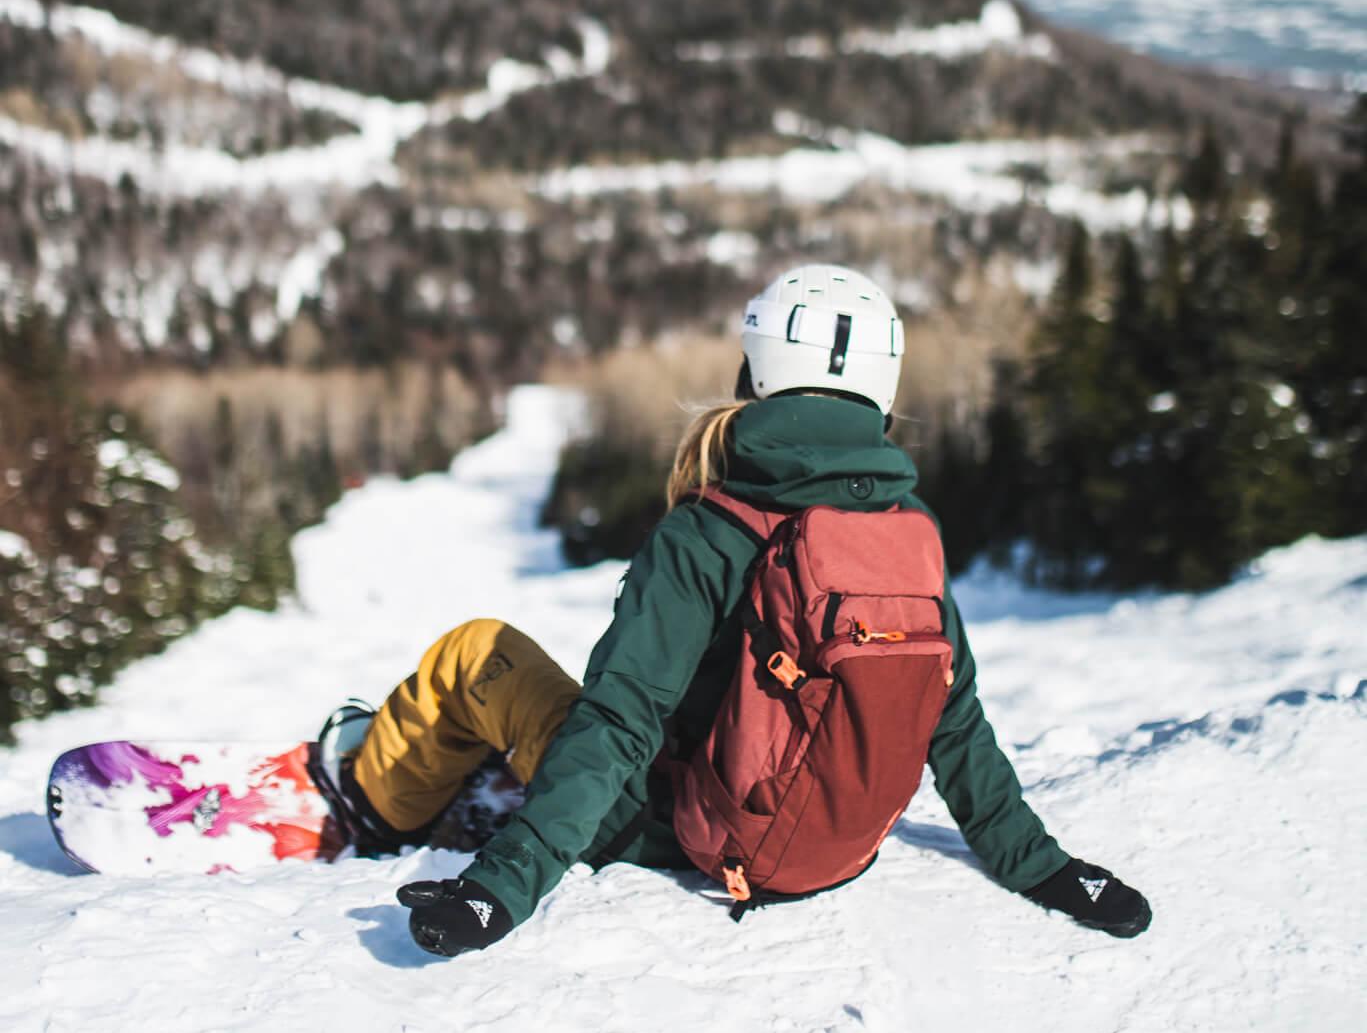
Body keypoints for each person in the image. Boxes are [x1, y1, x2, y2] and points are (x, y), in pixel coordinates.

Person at [317, 266, 1152, 958]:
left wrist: (498, 890)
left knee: (478, 651)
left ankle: (371, 795)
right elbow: (955, 722)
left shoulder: (706, 532)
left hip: (669, 828)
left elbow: (619, 722)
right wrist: (1047, 871)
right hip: (828, 850)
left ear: (756, 374)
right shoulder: (907, 533)